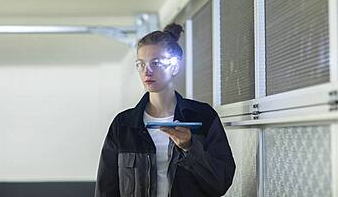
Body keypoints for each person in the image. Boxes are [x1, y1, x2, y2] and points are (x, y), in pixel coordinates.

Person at [94, 23, 235, 197]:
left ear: (175, 67)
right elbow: (106, 189)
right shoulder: (123, 125)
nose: (147, 71)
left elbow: (220, 184)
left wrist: (190, 148)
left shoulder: (203, 117)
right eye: (141, 64)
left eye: (156, 63)